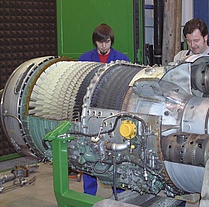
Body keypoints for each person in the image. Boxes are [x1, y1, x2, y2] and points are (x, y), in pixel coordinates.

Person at [78, 23, 129, 196]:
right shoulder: (84, 59)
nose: (104, 46)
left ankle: (120, 194)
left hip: (113, 114)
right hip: (90, 113)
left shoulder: (121, 60)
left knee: (116, 155)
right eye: (100, 42)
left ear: (111, 41)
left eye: (106, 42)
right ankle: (88, 194)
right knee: (89, 154)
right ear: (95, 42)